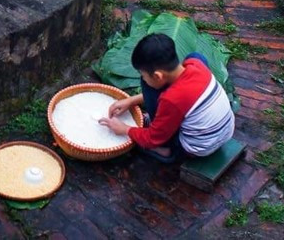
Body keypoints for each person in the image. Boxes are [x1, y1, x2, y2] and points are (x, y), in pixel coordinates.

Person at [99, 33, 235, 163]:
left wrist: (124, 129)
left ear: (158, 76)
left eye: (144, 74)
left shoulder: (171, 100)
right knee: (195, 56)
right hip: (226, 131)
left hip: (198, 147)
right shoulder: (196, 65)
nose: (144, 77)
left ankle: (165, 149)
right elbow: (182, 98)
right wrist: (131, 101)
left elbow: (152, 138)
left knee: (149, 88)